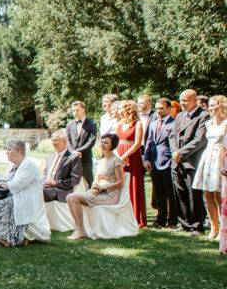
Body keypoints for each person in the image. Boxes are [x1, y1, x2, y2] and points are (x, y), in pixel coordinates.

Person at [0, 139, 44, 247]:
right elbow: (5, 179)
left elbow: (17, 184)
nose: (6, 152)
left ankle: (6, 239)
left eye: (9, 149)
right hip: (11, 196)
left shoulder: (28, 166)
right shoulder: (13, 165)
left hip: (23, 199)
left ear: (19, 151)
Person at [67, 134, 126, 240]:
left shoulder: (116, 161)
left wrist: (104, 188)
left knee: (74, 197)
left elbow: (120, 183)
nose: (102, 144)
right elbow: (96, 180)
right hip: (99, 192)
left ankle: (81, 231)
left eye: (106, 142)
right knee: (69, 197)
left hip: (110, 195)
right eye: (102, 142)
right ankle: (78, 228)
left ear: (112, 145)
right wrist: (94, 187)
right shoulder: (102, 161)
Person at [170, 89, 210, 234]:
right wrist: (175, 152)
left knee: (194, 194)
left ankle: (197, 225)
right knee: (180, 192)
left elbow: (199, 140)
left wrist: (181, 153)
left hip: (192, 160)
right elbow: (172, 136)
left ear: (194, 100)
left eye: (185, 100)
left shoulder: (204, 116)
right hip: (176, 160)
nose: (182, 103)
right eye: (181, 100)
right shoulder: (179, 116)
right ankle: (184, 224)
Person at [193, 94, 226, 240]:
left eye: (214, 105)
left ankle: (223, 229)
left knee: (218, 194)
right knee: (207, 193)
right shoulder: (208, 123)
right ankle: (214, 227)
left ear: (222, 106)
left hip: (220, 157)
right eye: (210, 105)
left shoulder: (226, 124)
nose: (211, 108)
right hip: (208, 157)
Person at [143, 98, 178, 228]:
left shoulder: (173, 123)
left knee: (170, 193)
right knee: (159, 193)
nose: (158, 111)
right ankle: (160, 219)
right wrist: (146, 159)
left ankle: (172, 220)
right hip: (154, 162)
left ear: (168, 109)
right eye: (157, 108)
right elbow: (149, 142)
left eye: (162, 108)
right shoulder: (153, 124)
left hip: (168, 161)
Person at [114, 100, 146, 228]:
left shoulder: (137, 124)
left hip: (132, 157)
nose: (118, 111)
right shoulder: (119, 124)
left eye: (120, 108)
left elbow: (137, 143)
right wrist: (117, 157)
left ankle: (136, 218)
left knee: (133, 184)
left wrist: (124, 156)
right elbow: (115, 142)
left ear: (128, 109)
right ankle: (122, 216)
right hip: (119, 154)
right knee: (121, 185)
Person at [42, 130, 83, 203]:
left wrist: (55, 183)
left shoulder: (73, 158)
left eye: (56, 140)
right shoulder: (50, 157)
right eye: (52, 140)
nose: (54, 143)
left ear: (64, 141)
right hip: (47, 187)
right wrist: (45, 183)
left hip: (61, 191)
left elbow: (75, 180)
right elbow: (45, 174)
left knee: (40, 192)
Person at [66, 101, 98, 187]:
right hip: (71, 158)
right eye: (73, 110)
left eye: (77, 110)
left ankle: (90, 200)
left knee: (89, 185)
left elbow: (92, 141)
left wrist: (78, 151)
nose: (75, 113)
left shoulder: (92, 123)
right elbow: (67, 140)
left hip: (85, 159)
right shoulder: (69, 124)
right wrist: (73, 152)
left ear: (83, 109)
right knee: (70, 186)